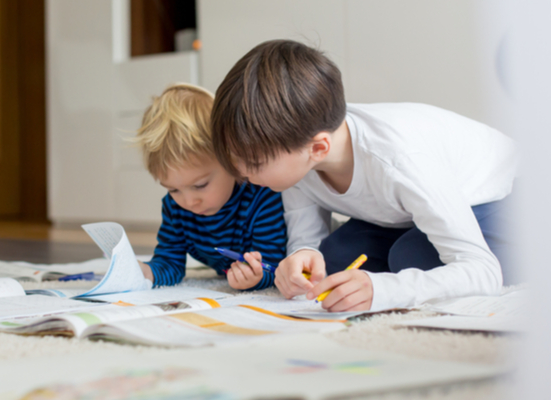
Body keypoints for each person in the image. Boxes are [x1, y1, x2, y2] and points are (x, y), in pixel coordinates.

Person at [210, 40, 518, 311]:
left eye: (253, 163)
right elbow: (306, 236)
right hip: (405, 212)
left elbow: (482, 271)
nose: (241, 173)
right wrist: (300, 258)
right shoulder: (300, 147)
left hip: (505, 196)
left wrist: (385, 291)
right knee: (333, 259)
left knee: (410, 257)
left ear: (319, 148)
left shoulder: (399, 161)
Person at [134, 83, 288, 290]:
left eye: (200, 185)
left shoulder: (262, 198)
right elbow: (170, 263)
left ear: (231, 159)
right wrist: (146, 273)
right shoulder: (175, 208)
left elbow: (275, 266)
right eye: (173, 189)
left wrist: (256, 277)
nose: (189, 201)